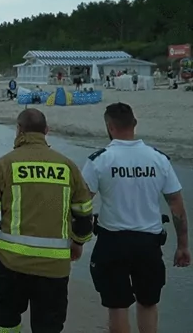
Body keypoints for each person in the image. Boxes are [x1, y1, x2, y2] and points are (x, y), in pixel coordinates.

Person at [0, 108, 94, 333]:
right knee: (48, 325)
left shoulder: (4, 165)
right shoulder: (68, 166)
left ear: (18, 130)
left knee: (7, 319)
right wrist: (78, 242)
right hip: (54, 266)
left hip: (11, 262)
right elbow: (84, 212)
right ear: (46, 131)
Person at [80, 103, 190, 333]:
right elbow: (176, 204)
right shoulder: (158, 159)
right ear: (135, 124)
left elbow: (81, 204)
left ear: (109, 126)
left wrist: (76, 240)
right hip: (148, 242)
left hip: (112, 242)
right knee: (148, 302)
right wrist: (182, 245)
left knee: (117, 305)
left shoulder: (99, 160)